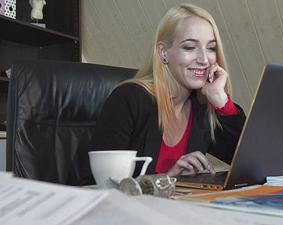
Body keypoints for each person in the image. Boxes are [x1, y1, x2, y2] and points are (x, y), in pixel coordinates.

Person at [79, 3, 246, 184]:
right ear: (163, 52)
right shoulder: (130, 99)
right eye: (190, 47)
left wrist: (222, 102)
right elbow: (94, 183)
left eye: (211, 48)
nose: (204, 59)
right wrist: (165, 180)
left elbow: (247, 163)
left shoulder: (202, 109)